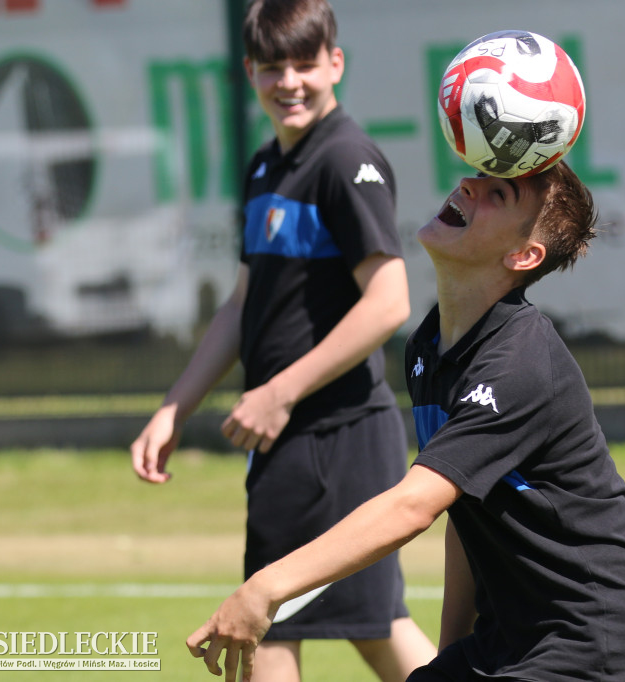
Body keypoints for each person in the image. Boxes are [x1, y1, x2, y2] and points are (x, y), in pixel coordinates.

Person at [185, 161, 625, 682]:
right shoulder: (428, 346)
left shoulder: (521, 361)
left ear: (523, 254)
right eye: (475, 178)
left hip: (595, 646)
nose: (468, 186)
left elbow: (413, 506)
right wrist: (451, 659)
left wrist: (266, 587)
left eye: (498, 194)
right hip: (510, 642)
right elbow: (465, 517)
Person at [130, 0, 436, 680]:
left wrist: (278, 392)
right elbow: (244, 303)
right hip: (290, 443)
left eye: (304, 64)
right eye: (272, 67)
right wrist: (174, 406)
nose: (289, 82)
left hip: (341, 436)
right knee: (304, 626)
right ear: (249, 73)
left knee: (314, 624)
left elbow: (390, 303)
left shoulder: (346, 159)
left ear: (336, 64)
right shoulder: (267, 167)